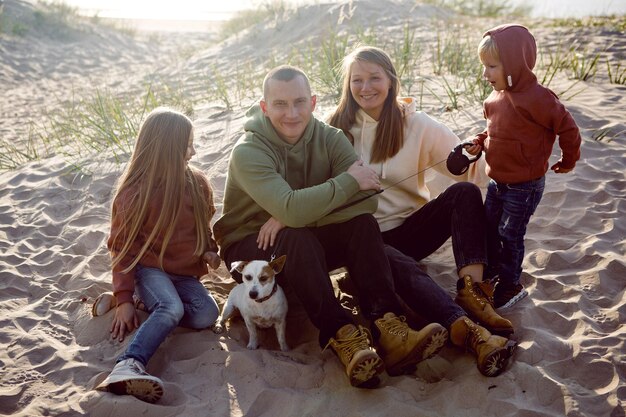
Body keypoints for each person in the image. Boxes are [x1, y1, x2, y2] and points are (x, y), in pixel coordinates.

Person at [213, 65, 450, 388]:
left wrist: (292, 213)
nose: (292, 113)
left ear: (312, 102)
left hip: (299, 233)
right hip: (250, 243)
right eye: (280, 105)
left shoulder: (330, 137)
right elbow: (334, 195)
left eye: (299, 102)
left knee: (361, 224)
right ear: (265, 108)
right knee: (297, 236)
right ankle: (342, 334)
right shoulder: (248, 151)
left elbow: (367, 201)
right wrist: (336, 190)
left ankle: (388, 326)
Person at [327, 46, 514, 336]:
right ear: (347, 85)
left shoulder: (417, 124)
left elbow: (466, 170)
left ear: (390, 81)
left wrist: (497, 147)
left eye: (374, 78)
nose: (365, 88)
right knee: (376, 251)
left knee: (464, 193)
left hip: (411, 232)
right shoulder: (333, 128)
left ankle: (473, 293)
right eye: (357, 80)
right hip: (363, 242)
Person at [95, 107, 221, 403]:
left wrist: (209, 251)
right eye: (187, 145)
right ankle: (128, 364)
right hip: (148, 269)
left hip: (182, 274)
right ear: (167, 149)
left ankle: (145, 302)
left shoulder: (197, 183)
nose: (193, 151)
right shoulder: (134, 194)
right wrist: (124, 299)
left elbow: (203, 227)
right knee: (170, 308)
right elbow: (122, 249)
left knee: (207, 314)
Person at [469, 24, 581, 308]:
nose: (486, 75)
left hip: (525, 185)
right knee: (490, 227)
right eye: (484, 67)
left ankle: (511, 284)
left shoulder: (540, 99)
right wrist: (479, 141)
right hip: (497, 182)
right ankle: (494, 270)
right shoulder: (493, 100)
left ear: (514, 64)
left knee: (510, 233)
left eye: (492, 67)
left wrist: (568, 160)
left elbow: (568, 129)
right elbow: (494, 130)